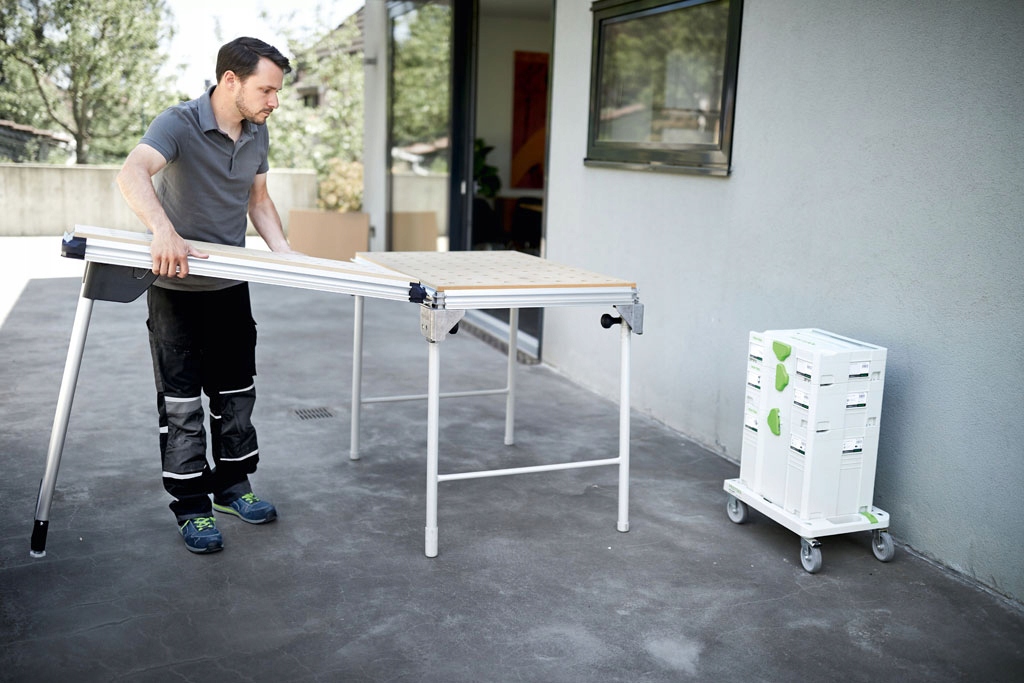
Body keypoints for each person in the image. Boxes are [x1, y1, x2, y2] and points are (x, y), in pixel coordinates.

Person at [116, 37, 293, 554]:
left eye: (277, 92)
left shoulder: (257, 131)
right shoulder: (179, 123)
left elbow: (258, 200)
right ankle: (192, 506)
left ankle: (232, 487)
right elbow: (131, 172)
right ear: (230, 80)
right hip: (175, 289)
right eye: (266, 90)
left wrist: (284, 253)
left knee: (236, 394)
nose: (274, 102)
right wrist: (163, 231)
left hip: (230, 287)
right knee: (182, 405)